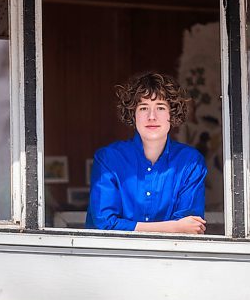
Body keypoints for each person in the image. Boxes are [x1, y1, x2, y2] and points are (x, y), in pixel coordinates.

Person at [86, 72, 207, 234]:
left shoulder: (191, 162)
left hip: (173, 257)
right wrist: (173, 227)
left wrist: (129, 226)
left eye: (160, 107)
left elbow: (190, 227)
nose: (152, 116)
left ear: (172, 113)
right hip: (112, 256)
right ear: (133, 114)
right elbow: (105, 224)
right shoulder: (108, 159)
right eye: (143, 108)